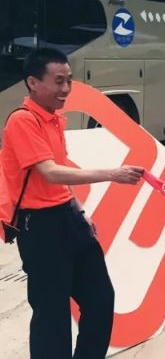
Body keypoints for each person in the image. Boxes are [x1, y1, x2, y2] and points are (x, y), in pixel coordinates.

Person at [1, 48, 144, 359]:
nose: (66, 89)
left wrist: (79, 210)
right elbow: (50, 172)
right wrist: (113, 174)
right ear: (33, 82)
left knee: (100, 299)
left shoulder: (54, 120)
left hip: (69, 220)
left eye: (69, 80)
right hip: (40, 228)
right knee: (52, 315)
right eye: (58, 81)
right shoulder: (22, 121)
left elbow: (61, 170)